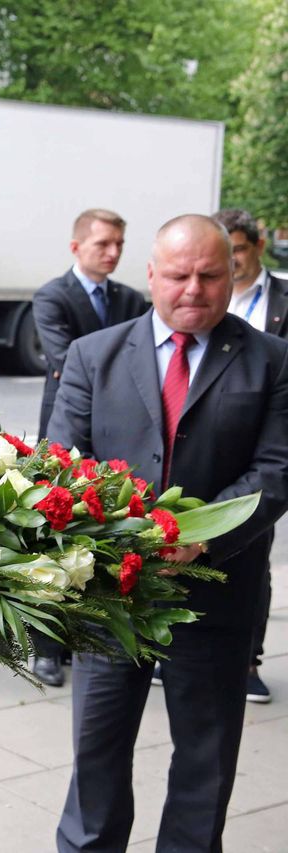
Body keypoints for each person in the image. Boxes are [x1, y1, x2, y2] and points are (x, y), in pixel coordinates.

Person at [50, 215, 288, 852]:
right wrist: (118, 539)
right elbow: (57, 466)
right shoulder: (92, 356)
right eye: (178, 274)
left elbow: (276, 469)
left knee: (205, 763)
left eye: (211, 275)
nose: (193, 289)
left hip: (217, 596)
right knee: (96, 754)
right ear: (151, 274)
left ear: (233, 275)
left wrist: (200, 538)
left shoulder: (272, 360)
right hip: (106, 599)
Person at [31, 209, 147, 686]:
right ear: (77, 247)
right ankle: (46, 648)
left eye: (119, 243)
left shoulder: (131, 298)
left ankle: (104, 636)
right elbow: (67, 361)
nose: (113, 252)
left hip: (121, 435)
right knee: (55, 536)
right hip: (70, 430)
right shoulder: (53, 296)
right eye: (103, 244)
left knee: (107, 540)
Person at [212, 207, 288, 704]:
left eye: (237, 250)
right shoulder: (205, 296)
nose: (232, 261)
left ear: (257, 247)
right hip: (210, 444)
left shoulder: (281, 301)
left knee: (253, 555)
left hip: (265, 448)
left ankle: (248, 659)